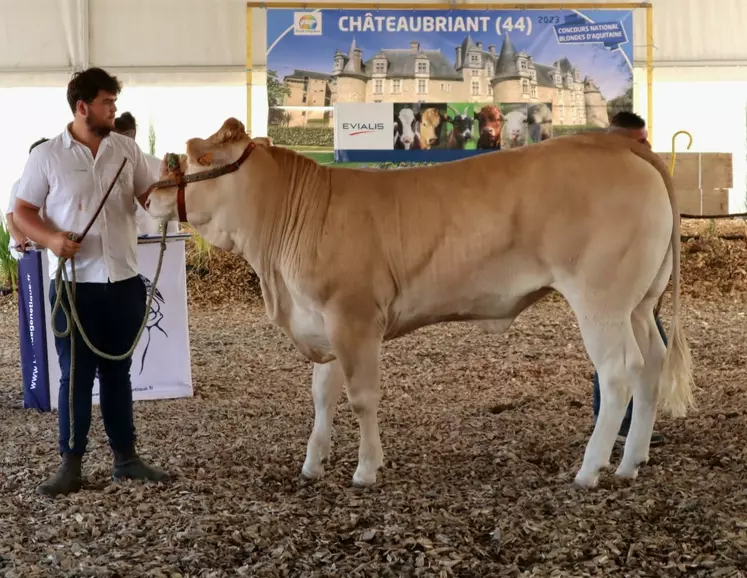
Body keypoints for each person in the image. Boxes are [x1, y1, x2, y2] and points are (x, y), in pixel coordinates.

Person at [12, 66, 171, 497]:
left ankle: (127, 459)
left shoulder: (126, 149)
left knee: (119, 373)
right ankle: (71, 463)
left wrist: (173, 188)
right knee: (75, 376)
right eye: (106, 103)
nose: (113, 110)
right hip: (73, 286)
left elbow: (147, 197)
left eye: (114, 103)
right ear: (82, 107)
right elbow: (21, 211)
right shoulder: (46, 156)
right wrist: (51, 239)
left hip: (123, 281)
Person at [591, 110, 667, 446]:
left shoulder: (638, 172)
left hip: (633, 270)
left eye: (646, 138)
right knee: (616, 343)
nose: (647, 145)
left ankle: (631, 424)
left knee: (644, 342)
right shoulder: (597, 174)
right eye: (640, 141)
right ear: (618, 139)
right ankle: (618, 424)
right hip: (608, 274)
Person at [112, 112, 177, 235]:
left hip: (152, 243)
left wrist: (171, 239)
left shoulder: (156, 164)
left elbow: (168, 211)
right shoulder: (103, 168)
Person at [6, 138, 49, 256]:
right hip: (27, 248)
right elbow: (11, 215)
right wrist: (21, 238)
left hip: (49, 244)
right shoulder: (20, 184)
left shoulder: (58, 181)